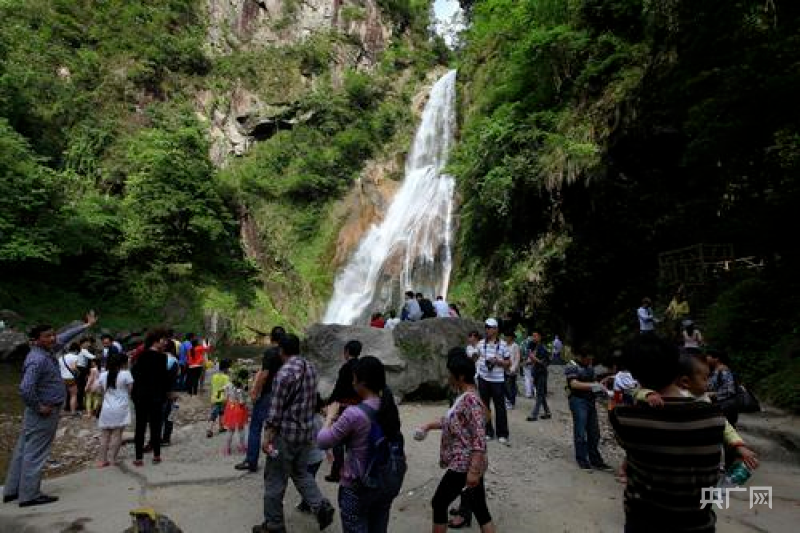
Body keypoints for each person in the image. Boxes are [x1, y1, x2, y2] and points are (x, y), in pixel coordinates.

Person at [610, 335, 727, 533]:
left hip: (645, 523)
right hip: (699, 524)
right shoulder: (714, 417)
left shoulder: (626, 419)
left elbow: (627, 439)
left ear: (636, 376)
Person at [3, 311, 97, 507]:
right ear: (35, 340)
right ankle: (29, 495)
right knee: (36, 452)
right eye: (47, 336)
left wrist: (85, 327)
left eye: (53, 334)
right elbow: (25, 388)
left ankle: (12, 490)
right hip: (42, 412)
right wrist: (39, 406)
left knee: (24, 449)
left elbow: (63, 338)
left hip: (39, 411)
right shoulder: (37, 359)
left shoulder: (46, 350)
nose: (53, 338)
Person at [254, 333, 335, 533]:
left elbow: (275, 411)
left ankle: (274, 525)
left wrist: (267, 438)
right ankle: (320, 506)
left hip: (285, 435)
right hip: (305, 433)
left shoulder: (283, 375)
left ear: (281, 350)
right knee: (301, 473)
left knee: (275, 479)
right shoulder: (310, 368)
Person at [317, 356, 405, 533]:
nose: (352, 382)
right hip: (385, 482)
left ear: (361, 382)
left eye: (354, 378)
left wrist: (329, 417)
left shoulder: (354, 414)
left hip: (358, 485)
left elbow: (323, 441)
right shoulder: (388, 405)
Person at [417, 348, 496, 533]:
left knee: (439, 502)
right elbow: (452, 422)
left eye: (450, 374)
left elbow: (479, 436)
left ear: (460, 376)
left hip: (464, 464)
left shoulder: (470, 400)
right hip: (467, 463)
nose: (448, 378)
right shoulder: (464, 397)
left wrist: (474, 471)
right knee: (480, 509)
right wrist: (428, 425)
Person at [236, 326, 285, 473]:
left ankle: (251, 461)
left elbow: (264, 375)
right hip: (282, 394)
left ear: (271, 338)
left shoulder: (270, 353)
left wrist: (255, 392)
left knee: (255, 427)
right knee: (276, 428)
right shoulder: (287, 353)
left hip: (268, 393)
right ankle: (277, 459)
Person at [564, 349, 612, 470]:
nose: (590, 361)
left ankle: (595, 458)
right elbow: (574, 384)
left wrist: (601, 386)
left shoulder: (590, 366)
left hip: (590, 400)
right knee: (580, 431)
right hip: (578, 400)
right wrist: (594, 386)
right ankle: (582, 459)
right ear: (581, 357)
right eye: (588, 358)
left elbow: (594, 380)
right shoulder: (571, 365)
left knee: (594, 431)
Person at [130, 328, 170, 466]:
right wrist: (166, 395)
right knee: (156, 425)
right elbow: (164, 379)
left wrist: (134, 395)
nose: (166, 342)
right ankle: (156, 455)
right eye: (164, 340)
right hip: (156, 396)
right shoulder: (162, 357)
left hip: (140, 396)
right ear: (157, 340)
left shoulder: (141, 355)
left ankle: (138, 457)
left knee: (140, 426)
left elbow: (135, 375)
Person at [325, 339, 363, 483]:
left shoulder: (345, 368)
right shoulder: (362, 367)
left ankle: (336, 472)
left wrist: (330, 404)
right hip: (359, 407)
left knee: (338, 441)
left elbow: (338, 389)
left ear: (346, 352)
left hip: (344, 407)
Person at [476, 318, 511, 445]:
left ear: (496, 329)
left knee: (500, 407)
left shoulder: (503, 345)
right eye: (486, 327)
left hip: (497, 380)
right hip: (483, 379)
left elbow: (508, 363)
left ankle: (502, 433)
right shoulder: (480, 344)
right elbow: (476, 357)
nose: (487, 330)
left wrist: (498, 362)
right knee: (484, 406)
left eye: (490, 327)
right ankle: (488, 431)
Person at [95, 352, 133, 467]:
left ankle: (102, 460)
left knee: (105, 435)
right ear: (122, 363)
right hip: (121, 407)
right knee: (117, 435)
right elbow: (130, 390)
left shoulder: (103, 375)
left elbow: (99, 391)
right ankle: (113, 460)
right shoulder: (126, 374)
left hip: (106, 408)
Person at [297, 395, 327, 514]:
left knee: (307, 482)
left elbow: (305, 440)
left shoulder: (309, 421)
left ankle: (312, 505)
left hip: (311, 457)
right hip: (318, 456)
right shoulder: (319, 418)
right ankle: (306, 504)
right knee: (310, 480)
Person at [706, 348, 739, 427]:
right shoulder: (715, 370)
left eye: (709, 356)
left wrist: (713, 394)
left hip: (724, 410)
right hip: (717, 409)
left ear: (716, 358)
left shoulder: (724, 371)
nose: (706, 357)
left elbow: (729, 390)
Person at [222, 368, 249, 455]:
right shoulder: (242, 387)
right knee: (241, 428)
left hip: (230, 407)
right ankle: (242, 446)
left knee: (230, 429)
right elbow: (242, 402)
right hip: (239, 408)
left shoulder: (228, 385)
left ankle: (227, 448)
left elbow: (225, 397)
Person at [526, 331, 552, 421]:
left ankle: (534, 414)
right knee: (541, 393)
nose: (534, 338)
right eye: (533, 336)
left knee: (540, 394)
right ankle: (547, 412)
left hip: (542, 373)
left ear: (540, 337)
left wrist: (534, 359)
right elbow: (533, 359)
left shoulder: (543, 348)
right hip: (536, 373)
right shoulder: (534, 346)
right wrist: (530, 361)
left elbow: (545, 363)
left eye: (535, 336)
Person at [207, 359, 232, 438]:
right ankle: (211, 429)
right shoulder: (226, 377)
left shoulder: (214, 376)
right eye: (228, 368)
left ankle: (217, 428)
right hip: (223, 399)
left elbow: (212, 387)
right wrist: (228, 398)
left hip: (214, 398)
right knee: (221, 413)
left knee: (215, 414)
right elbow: (227, 389)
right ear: (226, 369)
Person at [59, 342, 80, 414]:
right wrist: (78, 372)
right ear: (76, 350)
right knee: (73, 395)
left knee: (62, 395)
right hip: (70, 378)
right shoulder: (75, 357)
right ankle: (73, 411)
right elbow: (73, 368)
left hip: (61, 378)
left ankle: (61, 412)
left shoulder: (61, 357)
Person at [75, 337, 95, 414]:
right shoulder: (84, 350)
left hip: (81, 369)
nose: (89, 344)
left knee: (81, 387)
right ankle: (80, 405)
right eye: (87, 343)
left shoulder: (80, 350)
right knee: (81, 387)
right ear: (83, 343)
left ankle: (80, 404)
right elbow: (92, 357)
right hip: (81, 369)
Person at [503, 332, 520, 410]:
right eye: (505, 337)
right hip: (504, 368)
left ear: (511, 337)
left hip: (512, 370)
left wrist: (513, 368)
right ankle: (508, 400)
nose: (506, 338)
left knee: (511, 386)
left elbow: (517, 359)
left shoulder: (515, 346)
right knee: (505, 386)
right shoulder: (505, 345)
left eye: (507, 337)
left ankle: (511, 402)